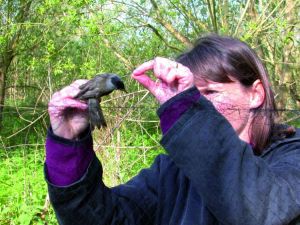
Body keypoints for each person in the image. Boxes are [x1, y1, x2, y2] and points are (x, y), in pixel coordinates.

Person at [45, 35, 300, 225]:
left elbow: (261, 209)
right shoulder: (172, 172)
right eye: (192, 96)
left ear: (255, 94)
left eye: (210, 92)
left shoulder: (292, 155)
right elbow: (104, 219)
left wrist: (186, 109)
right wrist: (68, 144)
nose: (201, 104)